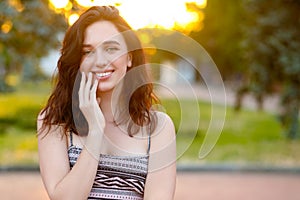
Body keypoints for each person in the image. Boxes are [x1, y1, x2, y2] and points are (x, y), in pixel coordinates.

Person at [37, 5, 176, 200]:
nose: (100, 61)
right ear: (77, 60)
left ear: (129, 57)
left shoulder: (158, 128)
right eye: (87, 52)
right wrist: (95, 132)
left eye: (111, 49)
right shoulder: (53, 122)